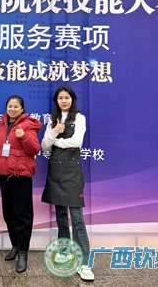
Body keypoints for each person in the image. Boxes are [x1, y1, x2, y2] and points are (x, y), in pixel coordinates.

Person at [41, 86, 94, 281]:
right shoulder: (52, 120)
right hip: (56, 171)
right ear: (56, 100)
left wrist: (55, 141)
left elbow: (76, 142)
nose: (64, 101)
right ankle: (65, 253)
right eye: (60, 98)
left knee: (77, 218)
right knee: (61, 216)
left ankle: (85, 263)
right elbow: (44, 145)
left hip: (72, 173)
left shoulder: (79, 118)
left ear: (72, 99)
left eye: (67, 97)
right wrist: (54, 132)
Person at [0, 95, 42, 273]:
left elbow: (35, 149)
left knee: (22, 215)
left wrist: (23, 136)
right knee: (8, 214)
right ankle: (15, 246)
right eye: (10, 106)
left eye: (16, 106)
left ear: (22, 109)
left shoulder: (28, 125)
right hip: (4, 175)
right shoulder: (1, 125)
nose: (12, 109)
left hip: (21, 176)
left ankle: (23, 252)